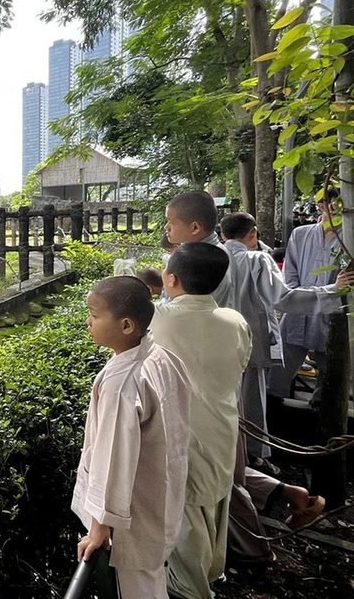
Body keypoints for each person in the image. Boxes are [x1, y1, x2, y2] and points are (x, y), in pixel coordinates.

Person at [73, 276, 192, 599]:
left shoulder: (123, 384)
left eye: (95, 315)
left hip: (131, 517)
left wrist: (100, 526)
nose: (89, 322)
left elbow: (114, 457)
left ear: (126, 326)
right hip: (159, 498)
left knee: (137, 588)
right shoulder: (163, 357)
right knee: (150, 580)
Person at [149, 243, 251, 599]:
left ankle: (192, 591)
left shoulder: (159, 319)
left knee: (187, 518)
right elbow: (240, 365)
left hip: (183, 438)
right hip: (223, 430)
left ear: (171, 278)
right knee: (214, 506)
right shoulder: (235, 321)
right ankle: (212, 573)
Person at [220, 212, 349, 473]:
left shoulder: (212, 257)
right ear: (253, 233)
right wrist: (333, 291)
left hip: (217, 342)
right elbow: (284, 298)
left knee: (224, 399)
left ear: (222, 235)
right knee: (252, 399)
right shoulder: (257, 259)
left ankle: (228, 454)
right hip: (250, 339)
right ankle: (252, 457)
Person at [269, 186, 344, 406]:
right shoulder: (301, 234)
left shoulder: (348, 237)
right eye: (333, 205)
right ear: (322, 206)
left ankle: (322, 409)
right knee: (279, 370)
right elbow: (289, 274)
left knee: (330, 375)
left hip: (333, 312)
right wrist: (294, 299)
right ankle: (274, 408)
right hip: (298, 310)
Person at [165, 191, 239, 310]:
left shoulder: (208, 260)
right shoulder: (201, 252)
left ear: (195, 228)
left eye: (171, 222)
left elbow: (190, 309)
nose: (166, 227)